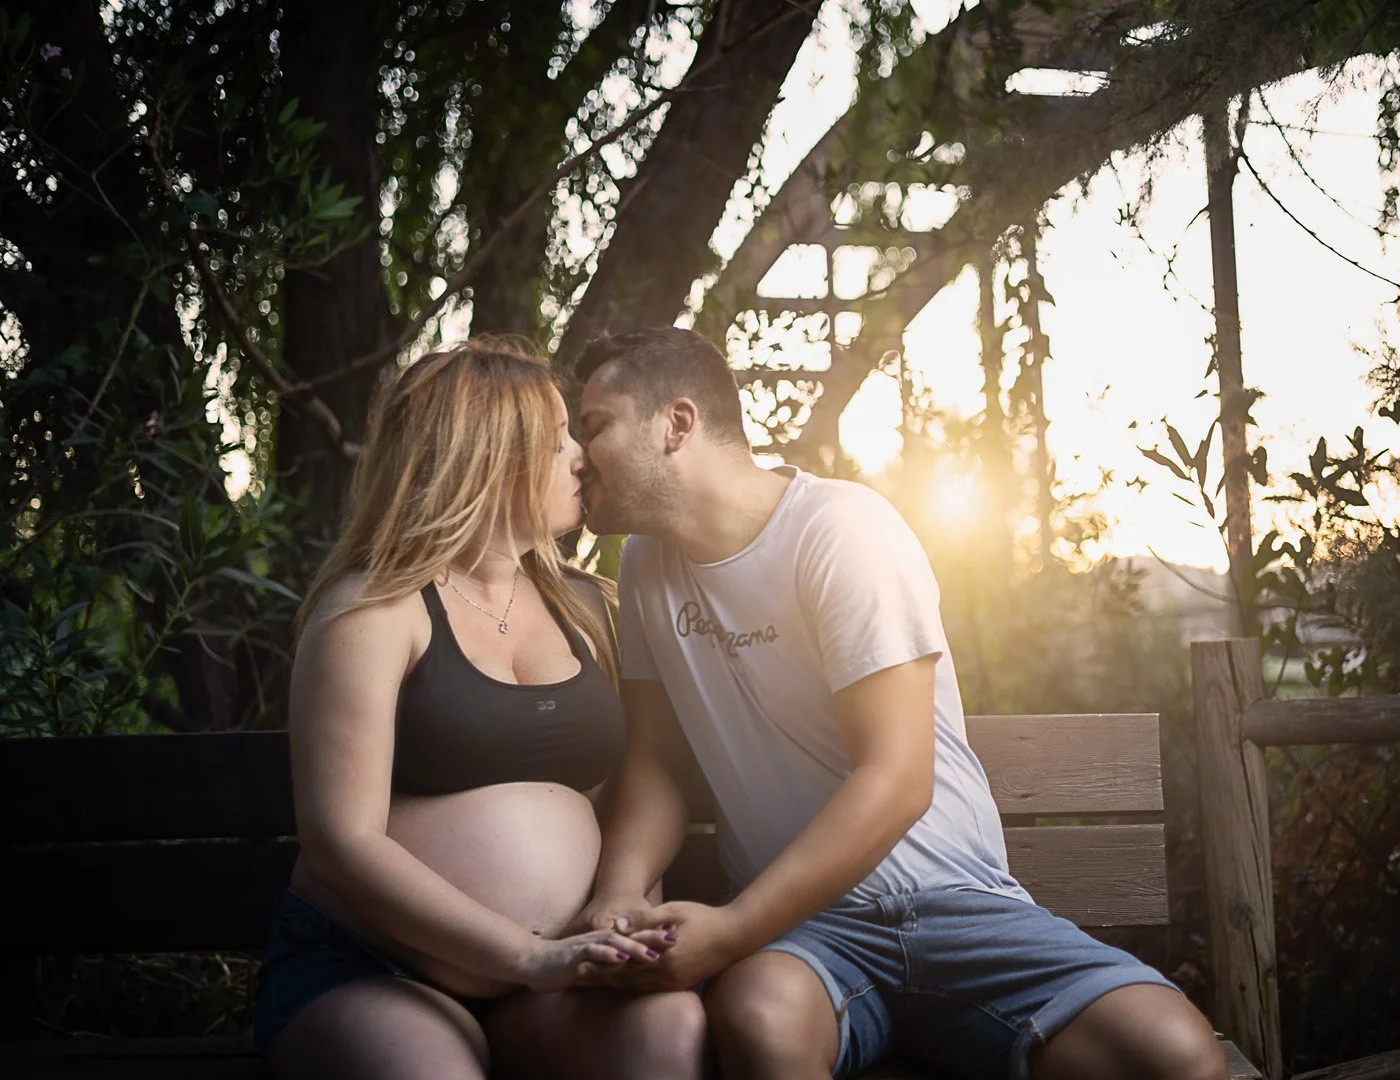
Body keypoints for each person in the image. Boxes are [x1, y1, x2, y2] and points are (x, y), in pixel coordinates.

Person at [570, 326, 1230, 1080]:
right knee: (759, 1020)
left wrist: (728, 931)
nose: (577, 453)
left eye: (594, 426)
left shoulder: (840, 529)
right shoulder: (648, 566)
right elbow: (656, 760)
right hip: (807, 936)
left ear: (676, 424)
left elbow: (896, 779)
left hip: (956, 905)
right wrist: (619, 896)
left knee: (1178, 1057)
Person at [255, 337, 707, 1080]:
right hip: (376, 969)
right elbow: (341, 841)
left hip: (557, 976)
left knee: (667, 1031)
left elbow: (623, 793)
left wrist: (621, 920)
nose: (581, 456)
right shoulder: (371, 612)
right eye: (558, 436)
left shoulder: (588, 607)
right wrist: (529, 954)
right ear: (488, 453)